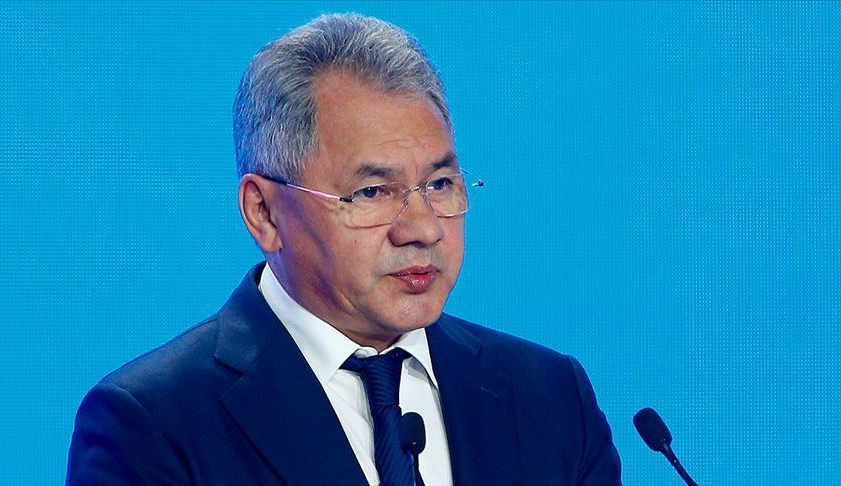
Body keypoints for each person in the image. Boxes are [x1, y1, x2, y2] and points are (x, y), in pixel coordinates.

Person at [67, 13, 621, 485]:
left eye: (439, 184)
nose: (423, 228)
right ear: (264, 213)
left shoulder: (550, 398)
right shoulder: (152, 425)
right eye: (373, 192)